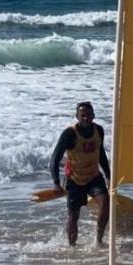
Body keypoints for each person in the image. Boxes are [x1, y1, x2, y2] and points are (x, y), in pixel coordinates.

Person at [49, 101, 111, 246]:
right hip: (74, 179)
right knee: (73, 216)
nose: (85, 118)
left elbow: (100, 153)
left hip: (94, 177)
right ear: (77, 116)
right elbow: (55, 159)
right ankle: (72, 247)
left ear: (93, 116)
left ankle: (98, 240)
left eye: (88, 115)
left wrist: (108, 174)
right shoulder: (69, 134)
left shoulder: (99, 130)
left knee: (106, 203)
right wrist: (56, 183)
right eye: (82, 115)